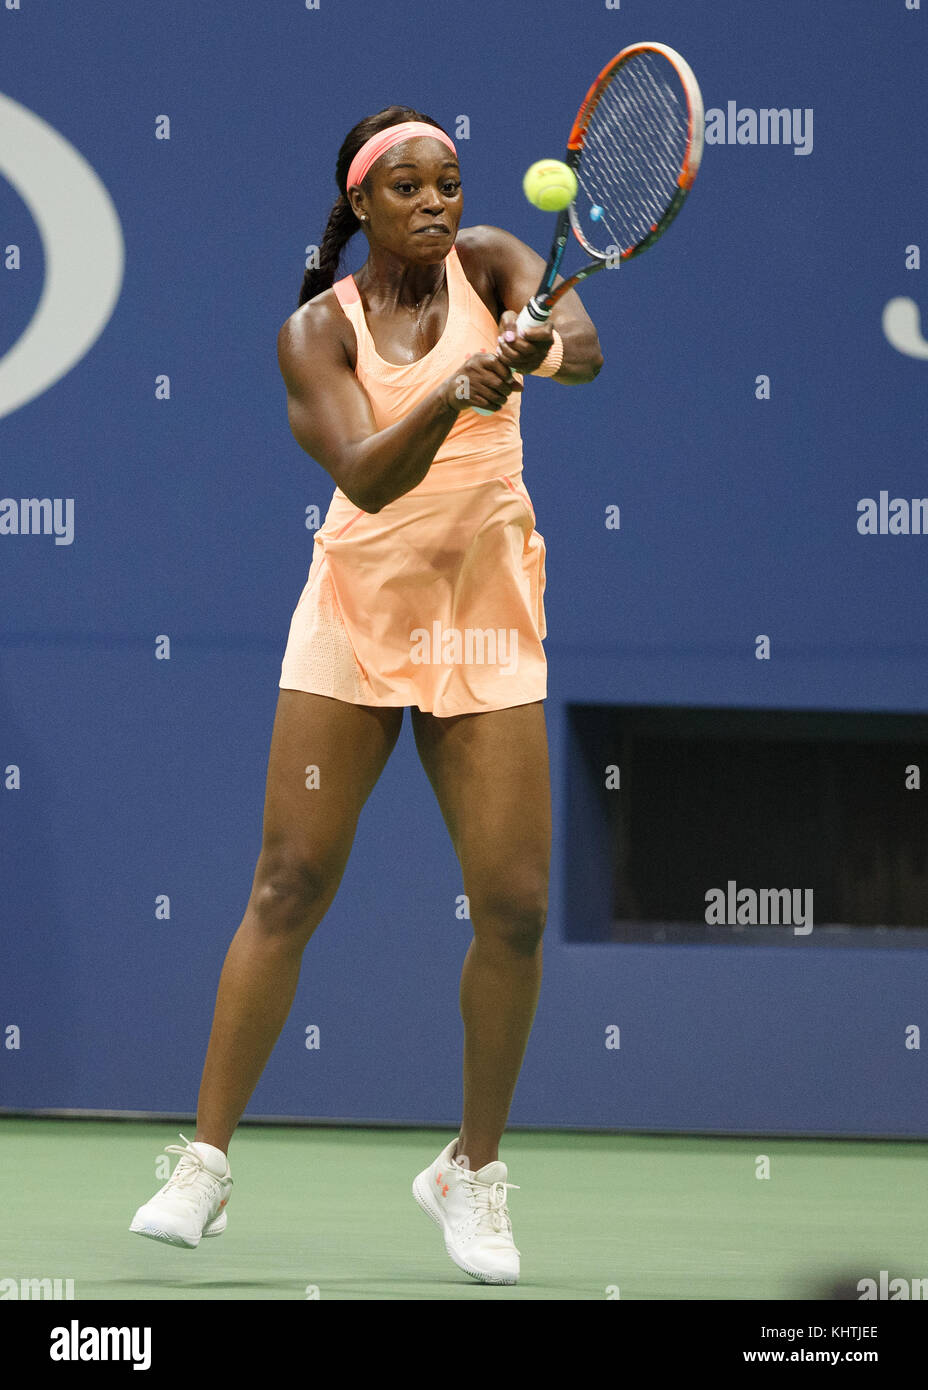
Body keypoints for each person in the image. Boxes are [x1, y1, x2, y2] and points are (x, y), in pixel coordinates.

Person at [130, 105, 602, 1286]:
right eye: (409, 189)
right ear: (360, 206)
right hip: (355, 617)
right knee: (288, 884)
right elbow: (365, 478)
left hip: (489, 618)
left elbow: (583, 345)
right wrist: (452, 394)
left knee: (516, 906)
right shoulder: (312, 334)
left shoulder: (498, 259)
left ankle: (471, 1173)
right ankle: (203, 1162)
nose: (437, 203)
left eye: (448, 182)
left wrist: (527, 349)